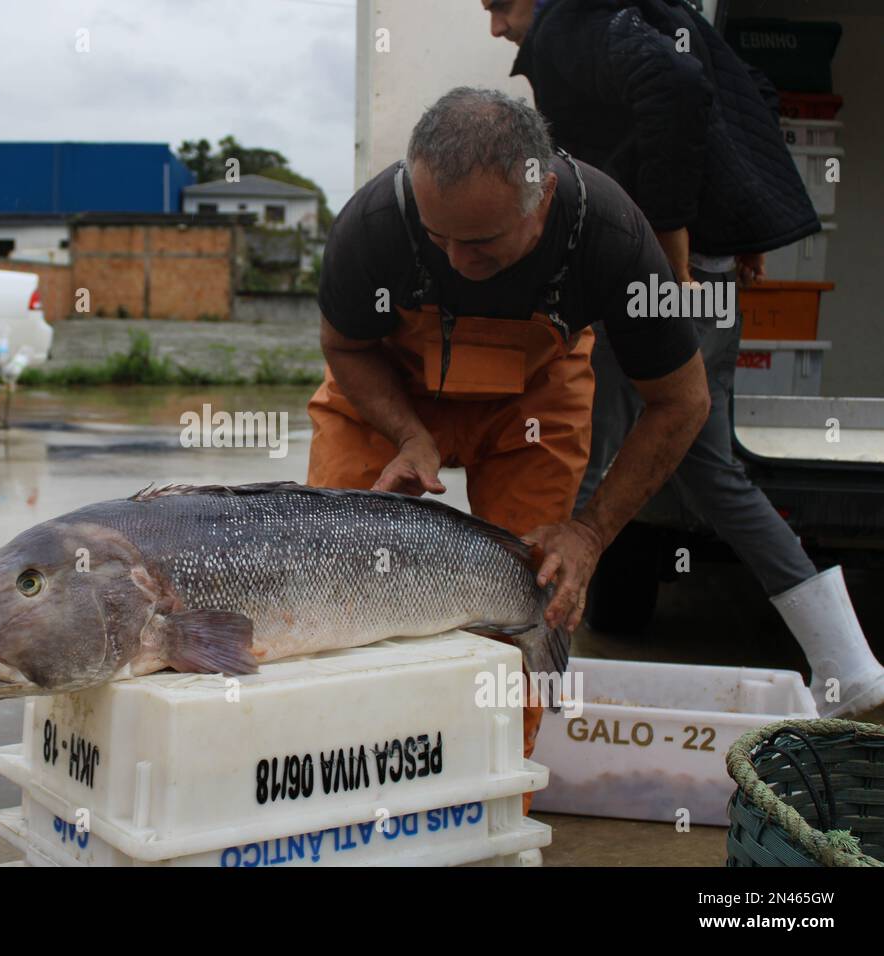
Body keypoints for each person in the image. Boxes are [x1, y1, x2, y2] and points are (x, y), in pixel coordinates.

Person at [307, 88, 710, 799]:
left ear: (541, 195)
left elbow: (682, 401)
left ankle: (494, 805)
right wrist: (409, 434)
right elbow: (344, 345)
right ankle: (342, 795)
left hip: (531, 404)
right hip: (389, 398)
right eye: (439, 239)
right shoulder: (373, 225)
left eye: (484, 243)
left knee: (531, 602)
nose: (458, 263)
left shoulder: (611, 235)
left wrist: (589, 533)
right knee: (335, 588)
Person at [489, 0, 884, 719]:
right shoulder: (652, 12)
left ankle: (531, 697)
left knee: (581, 459)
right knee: (703, 462)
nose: (495, 26)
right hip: (703, 271)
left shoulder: (571, 26)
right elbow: (743, 93)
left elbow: (678, 90)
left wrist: (669, 247)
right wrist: (741, 223)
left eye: (497, 4)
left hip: (656, 275)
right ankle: (848, 664)